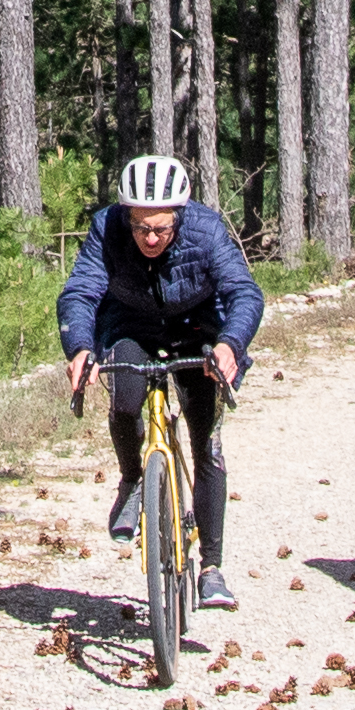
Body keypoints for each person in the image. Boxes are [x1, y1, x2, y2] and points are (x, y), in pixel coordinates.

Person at [60, 153, 258, 612]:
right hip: (132, 324)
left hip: (197, 326)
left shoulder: (206, 231)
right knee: (125, 401)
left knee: (204, 438)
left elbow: (243, 291)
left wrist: (229, 344)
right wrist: (80, 349)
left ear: (179, 218)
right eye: (141, 227)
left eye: (162, 229)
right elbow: (81, 291)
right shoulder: (106, 228)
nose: (150, 238)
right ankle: (133, 481)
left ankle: (212, 568)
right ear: (127, 216)